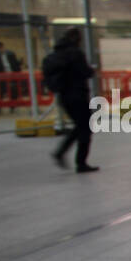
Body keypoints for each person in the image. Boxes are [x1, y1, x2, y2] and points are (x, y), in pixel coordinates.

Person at [42, 27, 99, 173]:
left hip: (64, 96)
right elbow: (85, 72)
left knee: (80, 126)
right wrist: (92, 70)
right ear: (76, 38)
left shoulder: (57, 54)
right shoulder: (75, 53)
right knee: (85, 127)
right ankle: (79, 162)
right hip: (78, 95)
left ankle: (62, 153)